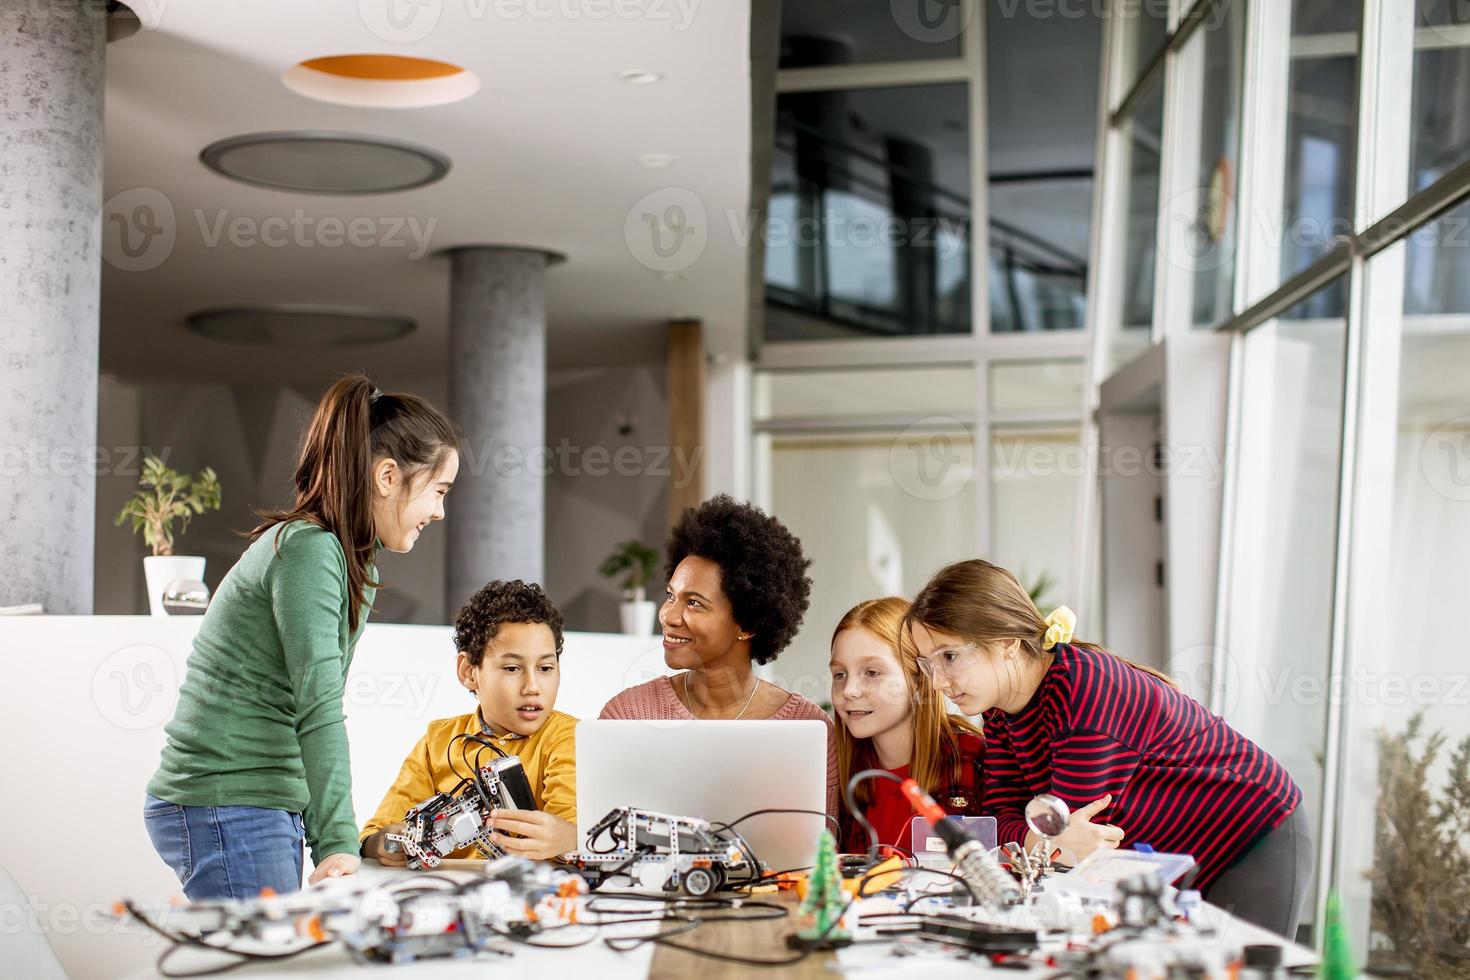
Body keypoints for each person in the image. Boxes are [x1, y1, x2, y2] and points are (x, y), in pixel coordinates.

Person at [144, 375, 459, 900]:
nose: (440, 512)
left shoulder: (351, 560)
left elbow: (310, 706)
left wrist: (330, 838)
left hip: (253, 801)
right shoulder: (310, 551)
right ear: (387, 476)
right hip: (230, 800)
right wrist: (337, 840)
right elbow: (318, 708)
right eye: (439, 491)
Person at [907, 559, 1311, 939]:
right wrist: (1041, 842)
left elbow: (1080, 839)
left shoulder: (1082, 688)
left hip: (1249, 833)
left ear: (1008, 642)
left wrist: (1043, 842)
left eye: (950, 656)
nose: (939, 681)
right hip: (1171, 857)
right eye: (929, 664)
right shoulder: (1000, 713)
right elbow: (1008, 825)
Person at [599, 494, 839, 816]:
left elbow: (823, 851)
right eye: (671, 596)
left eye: (694, 602)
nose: (669, 615)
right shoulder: (628, 716)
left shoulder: (809, 730)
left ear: (748, 623)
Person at [360, 580, 578, 863]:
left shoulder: (568, 737)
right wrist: (387, 843)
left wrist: (570, 838)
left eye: (545, 668)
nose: (532, 686)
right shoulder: (438, 742)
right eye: (512, 668)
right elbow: (375, 834)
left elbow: (573, 829)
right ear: (468, 671)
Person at [829, 597, 983, 855]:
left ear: (920, 680)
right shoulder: (845, 769)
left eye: (872, 673)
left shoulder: (970, 757)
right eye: (839, 674)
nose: (849, 691)